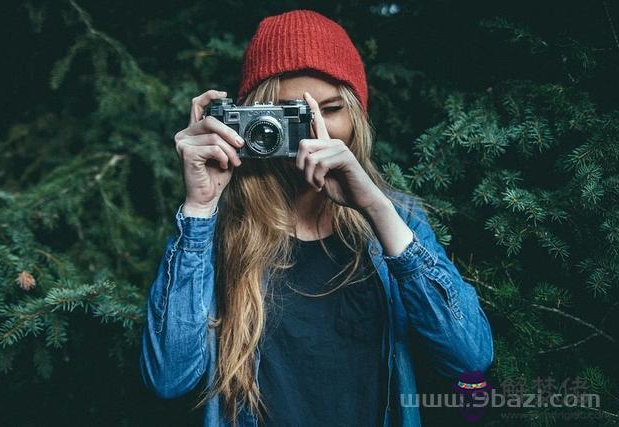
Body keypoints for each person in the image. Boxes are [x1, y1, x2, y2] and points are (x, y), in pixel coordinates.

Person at [139, 9, 494, 427]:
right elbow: (168, 379)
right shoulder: (216, 231)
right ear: (248, 123)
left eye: (329, 109)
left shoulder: (396, 224)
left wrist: (377, 208)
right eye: (289, 116)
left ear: (358, 116)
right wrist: (198, 208)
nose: (312, 132)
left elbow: (470, 358)